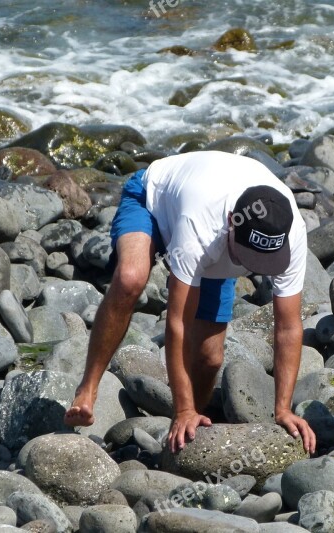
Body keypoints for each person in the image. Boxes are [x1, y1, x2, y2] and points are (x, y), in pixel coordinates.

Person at [64, 151, 316, 454]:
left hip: (213, 244)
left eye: (265, 261)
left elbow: (288, 327)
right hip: (151, 198)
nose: (256, 268)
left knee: (210, 358)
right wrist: (183, 409)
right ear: (230, 225)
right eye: (249, 257)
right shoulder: (202, 222)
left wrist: (283, 409)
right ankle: (88, 388)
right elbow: (178, 322)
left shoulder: (291, 232)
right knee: (131, 278)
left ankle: (184, 438)